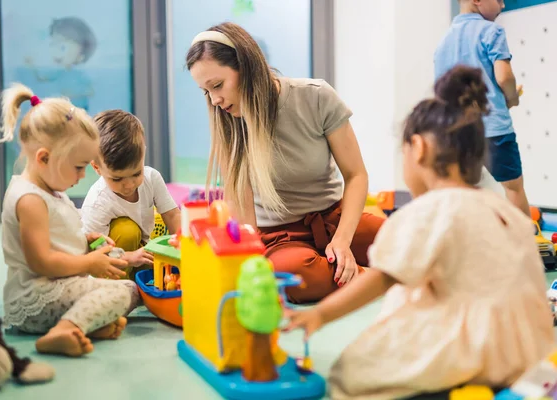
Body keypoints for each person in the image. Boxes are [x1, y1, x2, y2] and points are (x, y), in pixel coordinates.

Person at [284, 66, 554, 400]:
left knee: (349, 375)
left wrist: (319, 314)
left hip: (477, 354)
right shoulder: (506, 212)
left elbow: (382, 279)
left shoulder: (428, 212)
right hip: (526, 351)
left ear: (418, 148)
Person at [185, 22, 384, 303]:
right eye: (206, 92)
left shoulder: (316, 97)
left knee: (403, 240)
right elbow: (245, 224)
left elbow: (356, 175)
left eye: (217, 85)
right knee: (294, 278)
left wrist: (342, 240)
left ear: (247, 66)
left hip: (334, 219)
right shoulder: (229, 125)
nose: (215, 100)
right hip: (280, 238)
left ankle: (358, 273)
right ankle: (376, 280)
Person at [0, 84, 139, 357]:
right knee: (125, 291)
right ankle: (64, 329)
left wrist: (85, 242)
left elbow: (57, 235)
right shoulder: (30, 200)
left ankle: (83, 324)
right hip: (36, 300)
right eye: (78, 167)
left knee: (120, 269)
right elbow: (41, 262)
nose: (82, 176)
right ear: (44, 158)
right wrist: (89, 262)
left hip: (55, 288)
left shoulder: (49, 189)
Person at [435, 0, 529, 216]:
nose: (503, 5)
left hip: (455, 132)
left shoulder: (444, 42)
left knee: (459, 190)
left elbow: (441, 92)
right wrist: (512, 97)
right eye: (499, 0)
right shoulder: (492, 31)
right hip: (493, 128)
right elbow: (504, 76)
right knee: (513, 187)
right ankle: (522, 243)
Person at [81, 109, 181, 280]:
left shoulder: (152, 178)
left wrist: (184, 244)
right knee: (127, 230)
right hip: (108, 265)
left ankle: (137, 282)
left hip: (142, 251)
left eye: (136, 174)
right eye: (117, 178)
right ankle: (121, 287)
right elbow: (92, 252)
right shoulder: (98, 202)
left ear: (143, 154)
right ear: (97, 168)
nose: (129, 185)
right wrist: (129, 257)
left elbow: (172, 215)